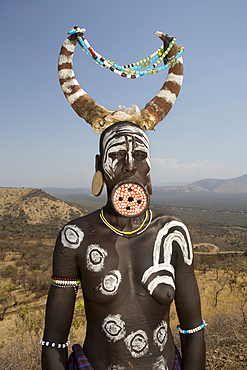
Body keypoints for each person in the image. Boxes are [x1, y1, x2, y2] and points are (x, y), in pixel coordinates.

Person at [41, 28, 205, 370]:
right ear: (101, 167)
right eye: (117, 155)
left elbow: (194, 331)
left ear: (150, 167)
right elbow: (53, 343)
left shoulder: (172, 233)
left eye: (140, 155)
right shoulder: (76, 238)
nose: (130, 165)